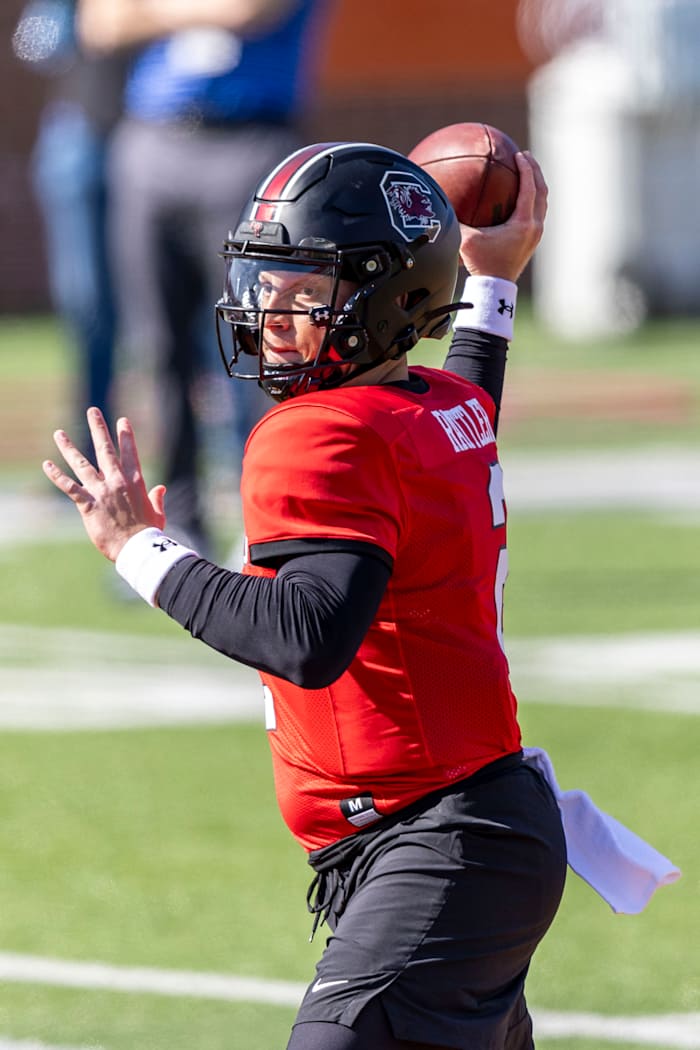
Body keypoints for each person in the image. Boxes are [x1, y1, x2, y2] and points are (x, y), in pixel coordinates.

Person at [43, 139, 567, 1049]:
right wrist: (493, 284)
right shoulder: (436, 407)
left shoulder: (319, 432)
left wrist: (138, 549)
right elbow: (469, 389)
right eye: (264, 278)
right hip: (473, 835)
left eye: (303, 286)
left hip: (439, 840)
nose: (268, 310)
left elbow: (309, 634)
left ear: (390, 298)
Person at [77, 0, 328, 555]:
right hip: (153, 141)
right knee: (158, 348)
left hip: (250, 140)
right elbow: (99, 22)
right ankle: (178, 521)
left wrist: (158, 9)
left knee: (270, 342)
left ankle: (276, 521)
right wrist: (198, 11)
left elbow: (248, 10)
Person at [14, 0, 128, 455]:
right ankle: (92, 451)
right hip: (82, 143)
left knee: (186, 301)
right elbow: (37, 44)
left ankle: (221, 442)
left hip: (162, 137)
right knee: (89, 306)